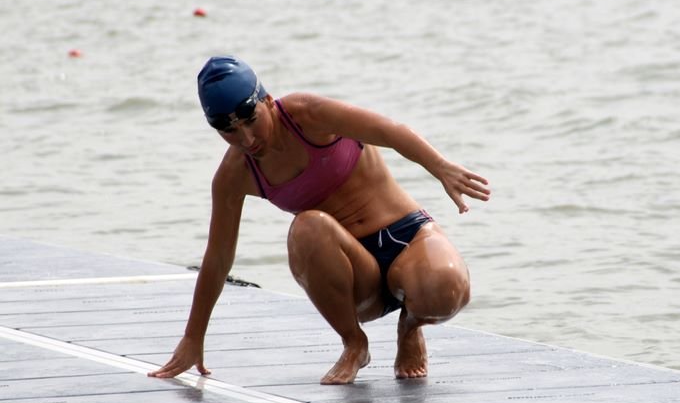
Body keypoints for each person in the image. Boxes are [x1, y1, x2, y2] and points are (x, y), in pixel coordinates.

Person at [148, 56, 490, 385]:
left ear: (266, 100)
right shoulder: (234, 175)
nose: (247, 140)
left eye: (250, 120)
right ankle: (354, 343)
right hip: (356, 275)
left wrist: (441, 167)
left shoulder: (307, 114)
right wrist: (193, 337)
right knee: (308, 226)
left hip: (407, 237)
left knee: (446, 287)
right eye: (228, 130)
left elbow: (389, 131)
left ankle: (410, 327)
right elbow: (218, 257)